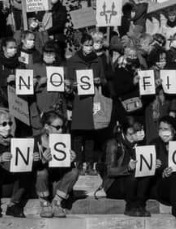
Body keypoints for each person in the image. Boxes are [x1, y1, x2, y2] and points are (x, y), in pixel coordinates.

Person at [0, 107, 36, 218]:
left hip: (9, 185)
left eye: (9, 123)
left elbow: (22, 160)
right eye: (4, 124)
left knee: (25, 169)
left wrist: (32, 158)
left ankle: (14, 204)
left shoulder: (15, 141)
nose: (8, 127)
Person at [66, 33, 106, 175]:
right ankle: (78, 164)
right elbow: (68, 80)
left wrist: (99, 80)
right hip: (78, 101)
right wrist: (73, 84)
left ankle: (89, 164)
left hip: (93, 100)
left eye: (91, 45)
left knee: (90, 135)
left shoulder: (97, 60)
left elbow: (104, 79)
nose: (89, 48)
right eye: (86, 45)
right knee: (78, 135)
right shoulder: (72, 61)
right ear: (81, 45)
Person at [101, 118, 155, 217]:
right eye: (138, 131)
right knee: (133, 176)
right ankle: (130, 207)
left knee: (146, 176)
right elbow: (110, 171)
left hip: (133, 183)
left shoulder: (139, 144)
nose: (141, 133)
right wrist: (128, 168)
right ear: (129, 132)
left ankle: (140, 205)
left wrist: (152, 164)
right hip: (114, 184)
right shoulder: (114, 143)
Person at [34, 111, 79, 218]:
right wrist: (42, 160)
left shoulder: (64, 142)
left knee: (75, 171)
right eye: (57, 127)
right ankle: (44, 203)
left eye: (62, 127)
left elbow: (69, 171)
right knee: (41, 172)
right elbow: (28, 168)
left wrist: (71, 161)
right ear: (46, 126)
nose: (61, 130)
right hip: (41, 185)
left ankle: (57, 202)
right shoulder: (35, 142)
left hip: (58, 186)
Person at [0, 37, 23, 111]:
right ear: (4, 48)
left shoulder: (20, 63)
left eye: (15, 47)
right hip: (1, 101)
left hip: (18, 101)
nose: (13, 50)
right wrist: (5, 80)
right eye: (10, 47)